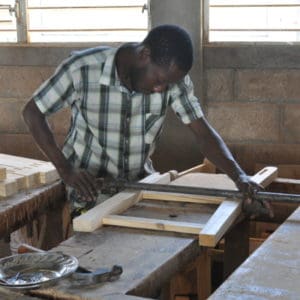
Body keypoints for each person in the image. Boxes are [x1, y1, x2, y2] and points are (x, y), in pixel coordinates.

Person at [22, 24, 272, 219]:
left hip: (139, 189)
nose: (160, 88)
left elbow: (203, 134)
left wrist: (240, 177)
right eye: (159, 80)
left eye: (167, 84)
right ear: (144, 54)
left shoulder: (172, 82)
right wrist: (66, 170)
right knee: (97, 258)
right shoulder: (83, 69)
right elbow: (33, 112)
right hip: (89, 191)